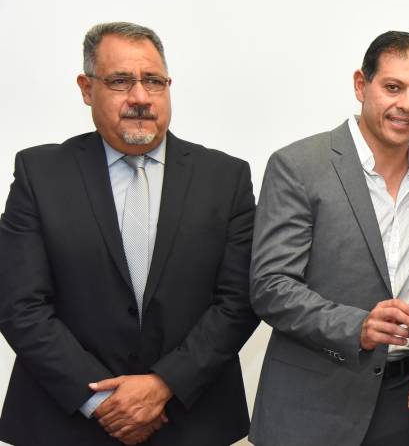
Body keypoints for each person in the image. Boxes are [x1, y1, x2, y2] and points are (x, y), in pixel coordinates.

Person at [0, 22, 259, 445]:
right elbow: (20, 305)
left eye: (154, 81)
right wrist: (102, 401)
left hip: (191, 421)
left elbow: (238, 302)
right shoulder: (40, 174)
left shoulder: (226, 178)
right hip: (64, 422)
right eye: (121, 81)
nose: (140, 97)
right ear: (87, 89)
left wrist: (163, 385)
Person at [249, 31, 409, 446]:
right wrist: (357, 325)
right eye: (392, 87)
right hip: (312, 408)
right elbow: (270, 286)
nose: (406, 105)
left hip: (407, 408)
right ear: (361, 85)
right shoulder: (298, 166)